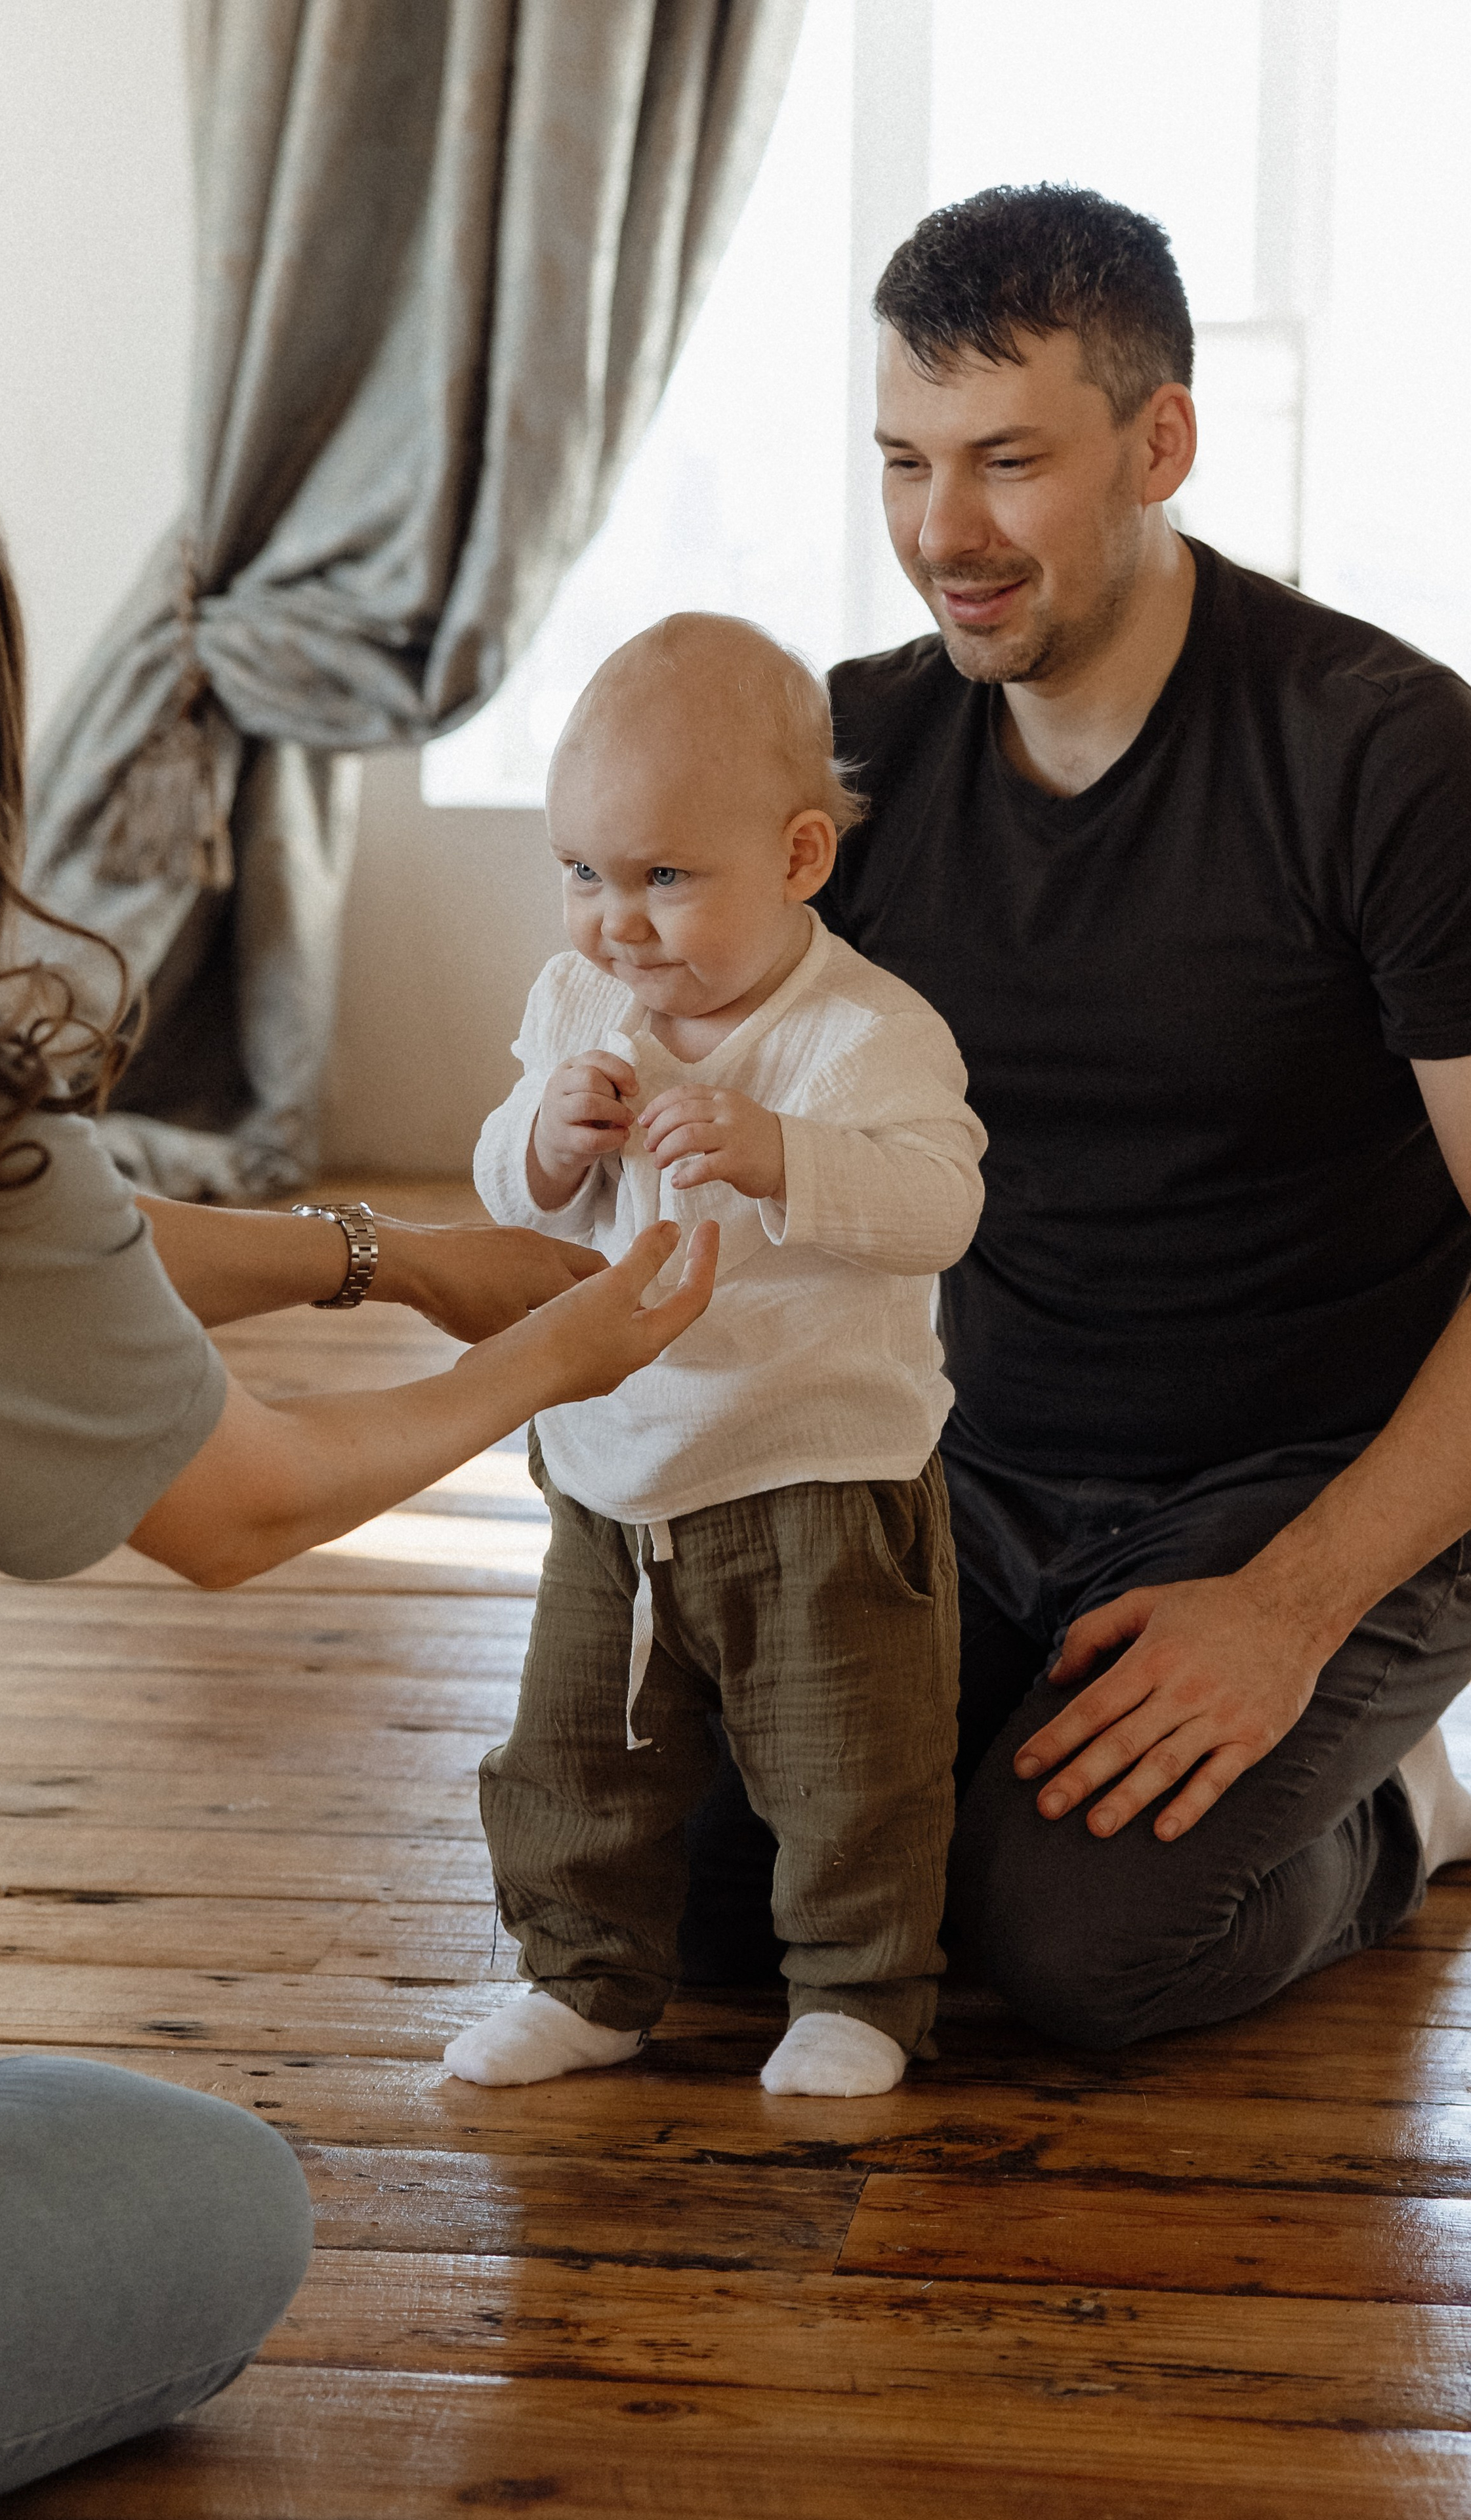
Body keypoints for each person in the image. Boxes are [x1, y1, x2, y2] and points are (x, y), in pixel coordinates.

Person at [0, 410, 715, 2520]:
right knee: (210, 2191)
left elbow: (32, 1250)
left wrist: (386, 1258)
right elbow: (249, 1505)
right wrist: (565, 1337)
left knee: (25, 2114)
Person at [684, 182, 1471, 2052]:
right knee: (711, 1900)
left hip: (1323, 1489)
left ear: (1161, 441)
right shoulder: (856, 761)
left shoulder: (1389, 758)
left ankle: (1415, 1807)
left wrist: (1287, 1612)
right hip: (979, 1468)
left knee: (1079, 1947)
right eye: (903, 462)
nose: (942, 534)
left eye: (1009, 462)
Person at [440, 614, 986, 2100]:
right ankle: (585, 1979)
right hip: (614, 1483)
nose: (614, 923)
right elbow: (503, 1180)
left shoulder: (860, 1036)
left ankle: (860, 1995)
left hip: (815, 1477)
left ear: (800, 858)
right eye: (582, 875)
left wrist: (780, 1155)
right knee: (572, 1765)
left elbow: (942, 1206)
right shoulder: (580, 1007)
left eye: (663, 878)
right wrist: (542, 1144)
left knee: (848, 1772)